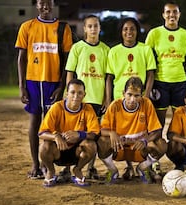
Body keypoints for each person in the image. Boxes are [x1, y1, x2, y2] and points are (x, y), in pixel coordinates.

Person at [15, 0, 73, 179]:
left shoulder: (63, 28)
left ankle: (50, 164)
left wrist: (62, 86)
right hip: (33, 81)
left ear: (53, 4)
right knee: (34, 122)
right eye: (41, 3)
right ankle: (35, 164)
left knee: (53, 125)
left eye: (48, 3)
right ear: (36, 5)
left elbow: (67, 61)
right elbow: (21, 58)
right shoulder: (27, 27)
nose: (45, 6)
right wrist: (22, 85)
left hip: (53, 83)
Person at [105, 17, 157, 180]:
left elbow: (150, 74)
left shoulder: (145, 49)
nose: (129, 32)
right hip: (120, 98)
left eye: (132, 29)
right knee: (122, 133)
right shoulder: (114, 51)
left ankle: (143, 166)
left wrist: (146, 95)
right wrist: (108, 100)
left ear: (137, 31)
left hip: (138, 97)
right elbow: (109, 78)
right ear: (121, 32)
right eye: (125, 29)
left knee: (139, 131)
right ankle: (129, 167)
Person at [97, 76, 167, 184]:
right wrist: (111, 133)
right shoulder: (115, 105)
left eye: (137, 96)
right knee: (102, 141)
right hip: (119, 147)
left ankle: (142, 168)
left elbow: (157, 131)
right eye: (129, 94)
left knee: (161, 144)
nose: (132, 99)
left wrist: (145, 141)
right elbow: (101, 130)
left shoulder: (147, 104)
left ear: (142, 95)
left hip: (138, 148)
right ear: (123, 93)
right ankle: (112, 170)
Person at [65, 14, 110, 180]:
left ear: (99, 28)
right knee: (74, 134)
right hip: (79, 99)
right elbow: (70, 72)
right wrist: (69, 95)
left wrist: (107, 98)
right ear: (84, 28)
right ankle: (67, 167)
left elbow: (107, 77)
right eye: (89, 26)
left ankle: (91, 168)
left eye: (96, 26)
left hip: (97, 100)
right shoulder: (77, 48)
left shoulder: (106, 50)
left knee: (94, 135)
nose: (93, 29)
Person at [38, 79, 100, 187]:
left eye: (80, 93)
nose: (76, 96)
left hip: (77, 152)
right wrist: (56, 137)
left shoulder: (88, 109)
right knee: (44, 147)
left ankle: (77, 170)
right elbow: (42, 133)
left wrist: (79, 134)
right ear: (67, 93)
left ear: (84, 95)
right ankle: (51, 172)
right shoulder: (57, 107)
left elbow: (94, 134)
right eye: (73, 92)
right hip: (58, 150)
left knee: (91, 145)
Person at [145, 2, 186, 128]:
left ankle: (177, 146)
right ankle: (160, 146)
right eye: (168, 12)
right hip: (160, 82)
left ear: (179, 15)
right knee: (159, 121)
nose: (171, 15)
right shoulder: (154, 33)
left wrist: (178, 70)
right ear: (163, 15)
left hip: (180, 83)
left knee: (180, 121)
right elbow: (147, 56)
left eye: (175, 12)